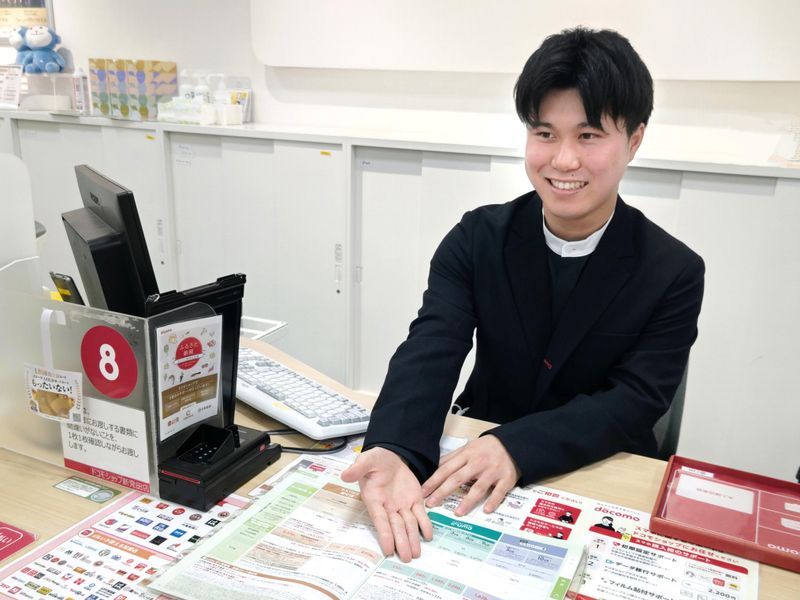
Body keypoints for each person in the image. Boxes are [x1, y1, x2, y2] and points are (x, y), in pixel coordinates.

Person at [341, 27, 705, 563]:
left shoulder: (673, 270)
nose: (563, 160)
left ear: (634, 140)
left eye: (588, 135)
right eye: (544, 133)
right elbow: (432, 344)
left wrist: (517, 445)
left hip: (597, 470)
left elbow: (636, 400)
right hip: (474, 461)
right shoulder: (477, 238)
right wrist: (395, 445)